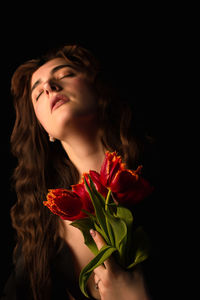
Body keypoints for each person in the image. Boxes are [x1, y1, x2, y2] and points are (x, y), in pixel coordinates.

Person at [2, 44, 159, 299]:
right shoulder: (40, 234)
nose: (49, 88)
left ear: (98, 88)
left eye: (64, 75)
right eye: (38, 94)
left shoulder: (154, 167)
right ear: (45, 130)